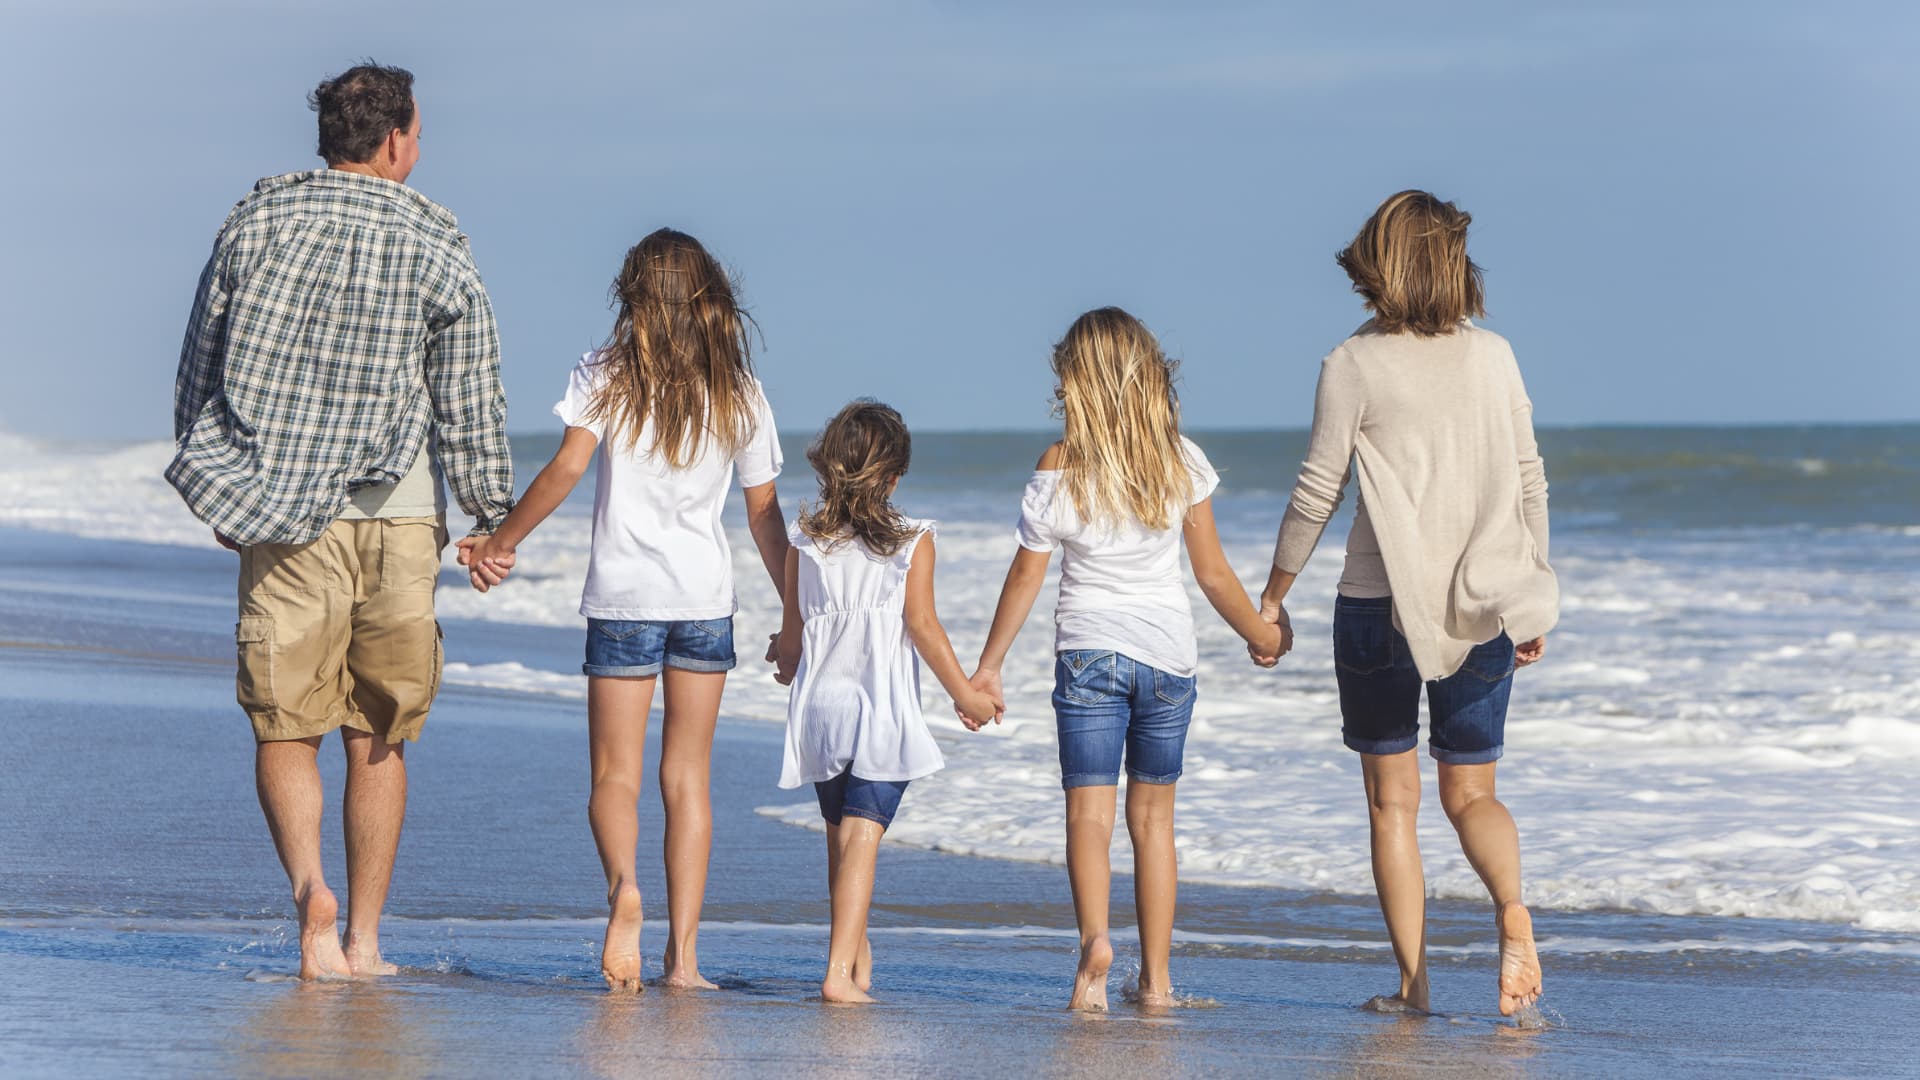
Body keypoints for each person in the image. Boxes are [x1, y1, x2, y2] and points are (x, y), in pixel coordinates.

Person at [166, 62, 514, 981]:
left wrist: (219, 483)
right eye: (419, 136)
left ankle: (309, 900)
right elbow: (467, 390)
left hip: (279, 507)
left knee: (286, 722)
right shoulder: (436, 235)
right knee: (380, 728)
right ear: (395, 139)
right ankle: (363, 936)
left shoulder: (257, 217)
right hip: (396, 516)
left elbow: (201, 355)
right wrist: (488, 513)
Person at [1254, 190, 1558, 1017]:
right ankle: (1511, 908)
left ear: (1376, 263)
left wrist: (1273, 598)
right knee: (1473, 795)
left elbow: (1318, 490)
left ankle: (1415, 988)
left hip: (1377, 603)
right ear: (1456, 264)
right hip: (1488, 600)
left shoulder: (1352, 363)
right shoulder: (1495, 356)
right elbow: (1529, 474)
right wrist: (1533, 589)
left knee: (1395, 803)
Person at [459, 229, 788, 992]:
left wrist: (499, 543)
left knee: (615, 775)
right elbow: (766, 517)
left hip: (623, 601)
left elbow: (567, 468)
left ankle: (623, 891)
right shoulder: (740, 390)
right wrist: (796, 613)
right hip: (705, 602)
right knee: (690, 781)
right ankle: (686, 961)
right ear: (710, 298)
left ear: (634, 297)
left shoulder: (605, 373)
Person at [967, 308, 1285, 1011]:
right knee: (1155, 822)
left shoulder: (1061, 464)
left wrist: (988, 667)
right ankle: (1160, 980)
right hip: (1168, 660)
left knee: (1090, 814)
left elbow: (1026, 577)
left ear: (1075, 384)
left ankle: (1095, 948)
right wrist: (1261, 635)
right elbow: (1213, 575)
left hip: (1088, 653)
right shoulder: (1182, 459)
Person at [772, 400, 1000, 1004]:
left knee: (838, 835)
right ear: (895, 474)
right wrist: (967, 696)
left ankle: (856, 956)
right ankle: (837, 974)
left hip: (820, 707)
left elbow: (791, 635)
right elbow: (923, 626)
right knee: (864, 836)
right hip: (877, 708)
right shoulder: (912, 540)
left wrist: (785, 658)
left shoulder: (805, 541)